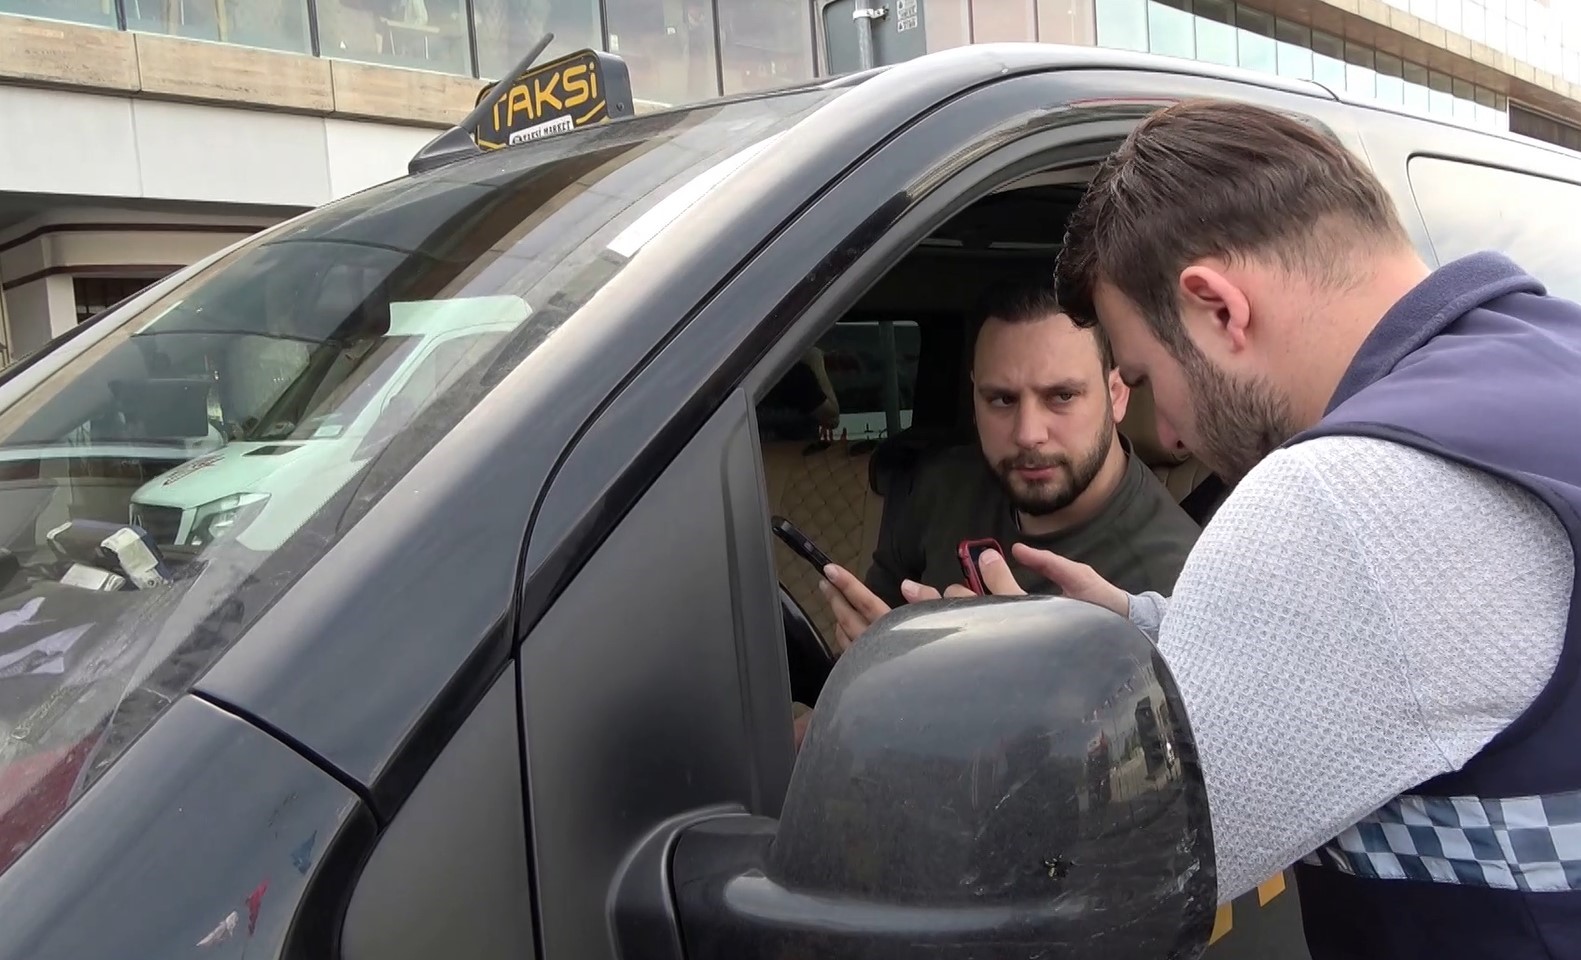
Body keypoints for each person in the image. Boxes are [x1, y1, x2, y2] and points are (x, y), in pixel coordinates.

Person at [907, 99, 1581, 959]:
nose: (1174, 435)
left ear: (1218, 309)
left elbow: (1087, 878)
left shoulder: (1345, 498)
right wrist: (1145, 636)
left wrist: (971, 710)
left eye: (1144, 377)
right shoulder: (1545, 357)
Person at [799, 288, 1200, 749]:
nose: (1029, 434)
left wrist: (939, 693)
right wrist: (871, 669)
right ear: (973, 396)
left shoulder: (1174, 580)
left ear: (1116, 395)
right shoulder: (941, 488)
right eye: (1002, 400)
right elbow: (866, 654)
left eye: (1061, 396)